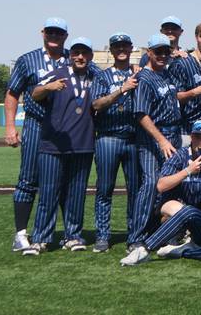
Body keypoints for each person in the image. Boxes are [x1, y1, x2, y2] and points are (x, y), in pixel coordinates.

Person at [23, 37, 97, 255]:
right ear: (70, 55)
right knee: (48, 193)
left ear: (91, 56)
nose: (80, 57)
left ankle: (73, 236)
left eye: (84, 53)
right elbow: (34, 93)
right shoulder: (58, 72)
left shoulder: (97, 76)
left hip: (83, 145)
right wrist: (49, 87)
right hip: (53, 144)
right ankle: (40, 238)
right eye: (76, 53)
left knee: (76, 194)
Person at [5, 17, 69, 252]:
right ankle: (21, 233)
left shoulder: (74, 58)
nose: (54, 36)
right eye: (50, 32)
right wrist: (11, 127)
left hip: (65, 128)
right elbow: (12, 94)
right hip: (36, 124)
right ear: (42, 32)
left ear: (65, 35)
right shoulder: (27, 59)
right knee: (28, 179)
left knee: (63, 180)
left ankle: (68, 233)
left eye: (59, 33)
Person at [129, 34, 183, 251]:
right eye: (157, 51)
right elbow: (141, 114)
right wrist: (160, 140)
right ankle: (136, 237)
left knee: (171, 186)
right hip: (153, 138)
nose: (162, 55)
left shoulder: (167, 75)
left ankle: (166, 232)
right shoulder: (145, 78)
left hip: (173, 135)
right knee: (151, 184)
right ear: (148, 53)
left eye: (165, 51)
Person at [90, 32, 141, 253]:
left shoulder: (139, 73)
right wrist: (121, 90)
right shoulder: (102, 76)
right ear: (111, 51)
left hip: (132, 138)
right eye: (117, 46)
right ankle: (102, 235)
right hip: (108, 137)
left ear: (131, 49)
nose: (121, 49)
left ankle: (134, 235)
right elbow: (96, 104)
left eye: (124, 46)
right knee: (105, 189)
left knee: (135, 190)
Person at [156, 120, 201, 219]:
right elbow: (161, 186)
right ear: (191, 138)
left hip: (199, 204)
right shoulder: (179, 155)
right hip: (176, 203)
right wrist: (187, 171)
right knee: (174, 207)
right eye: (197, 137)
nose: (200, 142)